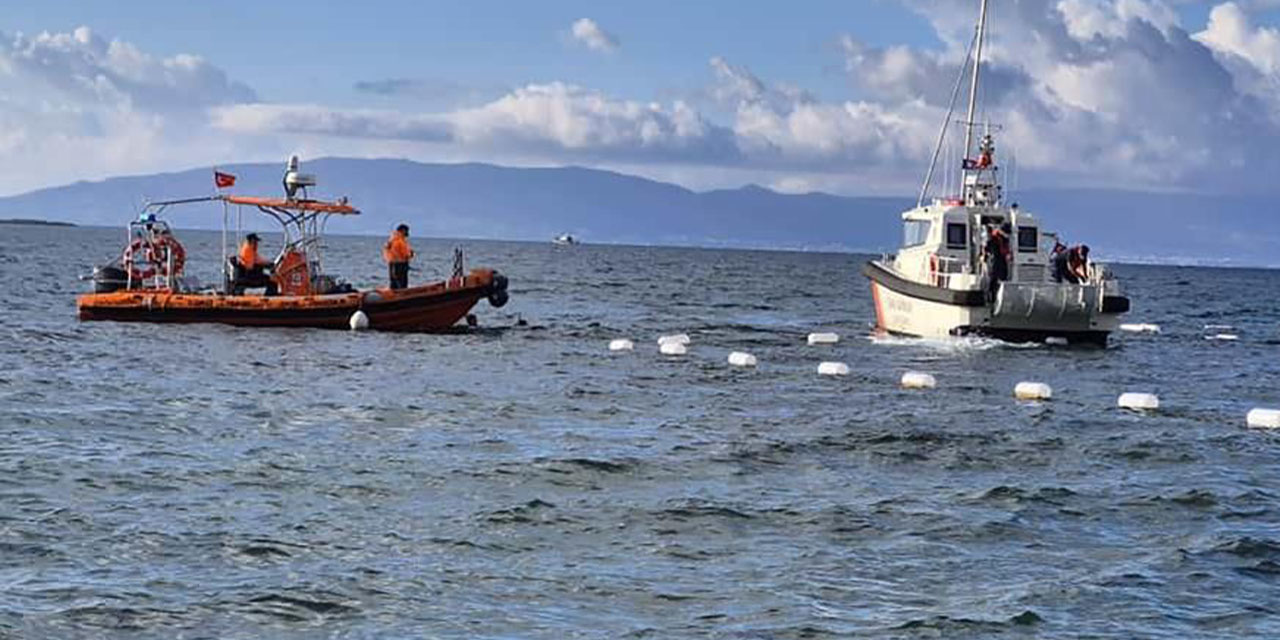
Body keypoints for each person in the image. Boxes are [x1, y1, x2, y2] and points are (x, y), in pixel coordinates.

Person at [383, 223, 415, 290]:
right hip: (401, 264)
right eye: (406, 231)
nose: (407, 233)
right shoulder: (400, 241)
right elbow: (404, 254)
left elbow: (386, 250)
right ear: (403, 231)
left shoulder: (391, 240)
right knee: (402, 284)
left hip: (392, 263)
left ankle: (393, 297)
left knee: (393, 283)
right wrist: (411, 254)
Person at [983, 223, 1011, 299]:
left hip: (1001, 260)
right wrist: (985, 256)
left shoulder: (1004, 239)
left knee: (1003, 277)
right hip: (994, 261)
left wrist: (1008, 254)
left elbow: (1006, 249)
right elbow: (987, 248)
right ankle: (990, 297)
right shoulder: (993, 238)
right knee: (992, 279)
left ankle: (999, 295)